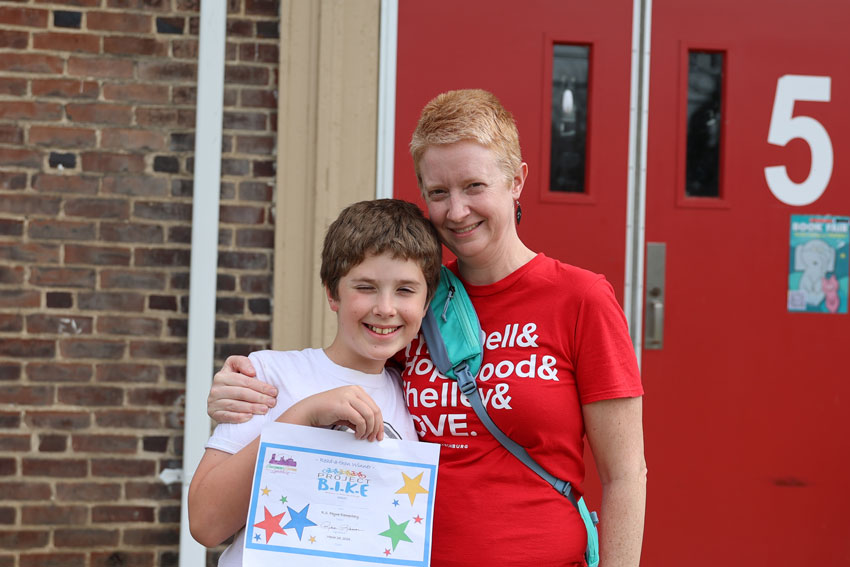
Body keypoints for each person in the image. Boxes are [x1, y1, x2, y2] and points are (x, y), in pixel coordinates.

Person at [207, 89, 647, 567]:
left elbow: (625, 474)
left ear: (517, 181)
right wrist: (238, 388)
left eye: (474, 186)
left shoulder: (580, 298)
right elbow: (341, 371)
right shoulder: (414, 301)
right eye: (439, 192)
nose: (456, 211)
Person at [188, 199, 442, 566]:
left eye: (405, 290)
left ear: (426, 300)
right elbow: (206, 524)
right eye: (366, 287)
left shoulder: (415, 397)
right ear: (332, 292)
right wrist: (303, 416)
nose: (386, 308)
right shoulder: (270, 376)